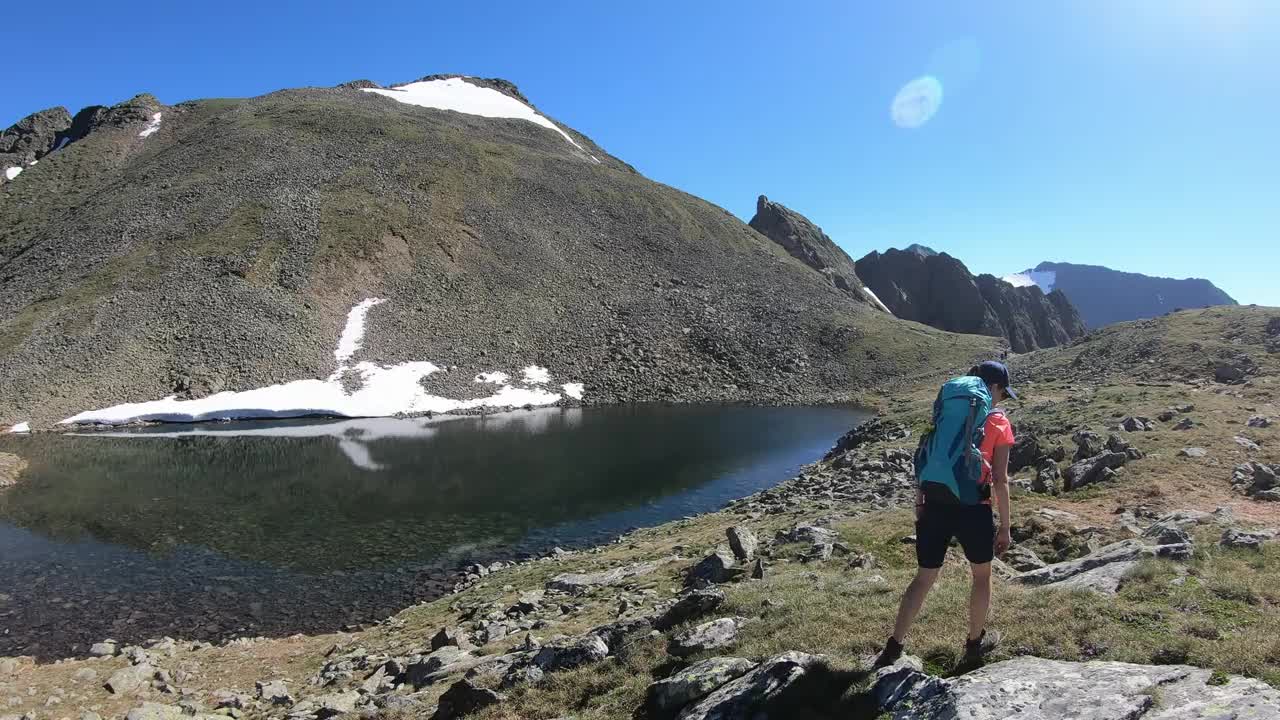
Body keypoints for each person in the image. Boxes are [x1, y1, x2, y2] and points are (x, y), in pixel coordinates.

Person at [874, 360, 1016, 668]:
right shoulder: (998, 422)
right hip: (973, 509)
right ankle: (974, 646)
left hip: (934, 502)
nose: (1002, 400)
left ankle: (893, 647)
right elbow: (1001, 480)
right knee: (981, 577)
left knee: (924, 577)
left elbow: (927, 458)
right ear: (992, 388)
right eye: (1003, 393)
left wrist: (919, 504)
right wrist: (1005, 527)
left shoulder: (945, 412)